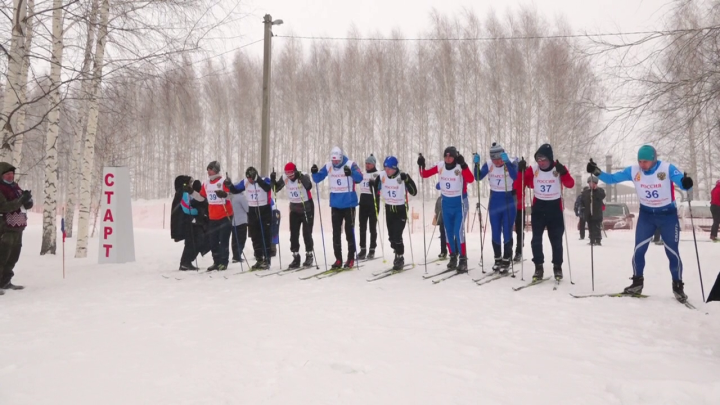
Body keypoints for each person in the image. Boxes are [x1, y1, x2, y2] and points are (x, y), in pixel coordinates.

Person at [587, 145, 693, 301]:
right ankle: (637, 282)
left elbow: (683, 183)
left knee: (672, 252)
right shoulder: (634, 170)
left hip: (667, 216)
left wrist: (686, 182)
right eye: (640, 161)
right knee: (638, 250)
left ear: (653, 159)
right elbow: (612, 179)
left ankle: (678, 286)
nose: (642, 165)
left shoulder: (666, 168)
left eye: (646, 161)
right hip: (646, 216)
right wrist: (596, 171)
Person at [518, 143, 575, 282]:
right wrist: (521, 171)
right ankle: (538, 267)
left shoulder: (558, 168)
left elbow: (570, 184)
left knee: (556, 240)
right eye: (539, 160)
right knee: (536, 239)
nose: (541, 163)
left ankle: (557, 266)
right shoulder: (534, 169)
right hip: (539, 207)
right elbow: (521, 183)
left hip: (555, 207)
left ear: (550, 158)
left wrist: (564, 173)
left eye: (544, 160)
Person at [417, 146, 474, 273]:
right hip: (446, 204)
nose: (448, 159)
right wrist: (421, 164)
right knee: (448, 233)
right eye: (446, 156)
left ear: (455, 157)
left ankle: (463, 259)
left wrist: (464, 165)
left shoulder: (459, 166)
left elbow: (470, 179)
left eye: (450, 156)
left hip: (460, 203)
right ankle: (453, 256)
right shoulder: (440, 166)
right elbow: (424, 174)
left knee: (458, 232)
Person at [311, 146, 363, 269]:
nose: (335, 163)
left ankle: (350, 258)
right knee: (336, 233)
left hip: (349, 204)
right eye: (333, 160)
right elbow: (318, 179)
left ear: (341, 158)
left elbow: (359, 178)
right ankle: (338, 258)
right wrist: (314, 172)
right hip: (335, 204)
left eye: (337, 161)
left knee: (349, 232)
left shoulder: (350, 164)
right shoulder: (328, 165)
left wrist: (351, 173)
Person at [473, 143, 517, 273]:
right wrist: (476, 165)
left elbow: (516, 177)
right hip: (494, 201)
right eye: (494, 159)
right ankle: (497, 258)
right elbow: (478, 177)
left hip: (508, 201)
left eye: (498, 159)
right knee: (496, 231)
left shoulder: (511, 162)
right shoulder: (489, 164)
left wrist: (507, 162)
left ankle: (507, 258)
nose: (496, 162)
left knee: (507, 231)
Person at [374, 156, 418, 270]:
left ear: (394, 168)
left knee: (397, 235)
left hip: (400, 210)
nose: (386, 171)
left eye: (389, 168)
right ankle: (397, 251)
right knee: (391, 238)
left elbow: (414, 192)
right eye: (385, 168)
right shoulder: (382, 175)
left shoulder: (402, 176)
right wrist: (373, 185)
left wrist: (407, 180)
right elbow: (376, 188)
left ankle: (400, 257)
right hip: (389, 209)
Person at [227, 167, 272, 270]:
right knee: (255, 236)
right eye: (248, 178)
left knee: (265, 235)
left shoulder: (264, 180)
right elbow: (235, 190)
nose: (250, 180)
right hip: (252, 211)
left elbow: (268, 188)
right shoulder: (245, 182)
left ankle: (267, 259)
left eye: (251, 178)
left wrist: (258, 180)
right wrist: (229, 184)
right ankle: (259, 258)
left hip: (264, 210)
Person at [271, 162, 315, 268]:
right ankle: (296, 256)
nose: (290, 176)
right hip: (294, 209)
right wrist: (273, 180)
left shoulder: (303, 175)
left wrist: (301, 177)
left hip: (306, 207)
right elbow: (276, 189)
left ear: (295, 171)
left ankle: (309, 255)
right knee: (293, 234)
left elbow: (309, 186)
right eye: (287, 174)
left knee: (307, 233)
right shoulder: (285, 177)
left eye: (291, 174)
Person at [0, 162, 32, 292]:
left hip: (18, 227)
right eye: (7, 174)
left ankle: (5, 282)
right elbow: (4, 207)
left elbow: (24, 205)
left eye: (12, 174)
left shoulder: (15, 187)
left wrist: (28, 200)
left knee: (13, 256)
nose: (10, 176)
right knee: (2, 255)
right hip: (4, 227)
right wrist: (20, 201)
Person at [199, 161, 233, 271]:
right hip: (212, 217)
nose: (208, 171)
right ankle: (216, 261)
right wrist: (191, 192)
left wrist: (224, 194)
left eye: (210, 169)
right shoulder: (206, 183)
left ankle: (223, 262)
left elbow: (231, 196)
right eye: (208, 169)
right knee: (213, 241)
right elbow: (201, 197)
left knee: (223, 240)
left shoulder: (223, 181)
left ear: (216, 170)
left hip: (225, 215)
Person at [171, 175, 210, 270]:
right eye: (189, 183)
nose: (191, 184)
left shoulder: (185, 193)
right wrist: (198, 213)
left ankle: (187, 261)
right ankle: (185, 262)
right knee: (192, 242)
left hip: (190, 221)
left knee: (195, 241)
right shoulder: (182, 194)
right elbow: (186, 207)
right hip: (187, 221)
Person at [357, 154, 380, 260]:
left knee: (372, 227)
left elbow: (380, 190)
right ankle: (363, 249)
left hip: (373, 201)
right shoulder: (363, 174)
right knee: (362, 226)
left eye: (369, 163)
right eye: (366, 163)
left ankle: (372, 249)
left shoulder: (377, 174)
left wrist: (374, 185)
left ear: (374, 164)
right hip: (363, 201)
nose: (367, 165)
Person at [581, 175, 606, 246]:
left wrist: (595, 190)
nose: (591, 185)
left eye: (592, 183)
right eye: (590, 183)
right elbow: (583, 200)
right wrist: (583, 208)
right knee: (590, 227)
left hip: (597, 213)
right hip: (589, 213)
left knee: (597, 227)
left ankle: (598, 240)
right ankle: (592, 240)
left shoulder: (600, 191)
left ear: (596, 184)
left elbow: (602, 196)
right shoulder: (586, 192)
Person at [229, 184, 249, 263]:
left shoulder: (231, 197)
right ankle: (237, 255)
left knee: (234, 239)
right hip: (241, 221)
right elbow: (247, 209)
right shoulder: (241, 197)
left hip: (233, 221)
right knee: (241, 239)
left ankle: (235, 255)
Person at [512, 169, 526, 262]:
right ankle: (508, 252)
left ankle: (519, 251)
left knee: (519, 231)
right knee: (507, 230)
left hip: (520, 207)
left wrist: (524, 170)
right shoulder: (507, 172)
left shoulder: (521, 174)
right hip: (508, 207)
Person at [434, 184, 447, 259]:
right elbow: (436, 210)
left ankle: (456, 251)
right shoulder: (439, 199)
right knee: (443, 235)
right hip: (442, 220)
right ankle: (443, 251)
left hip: (450, 219)